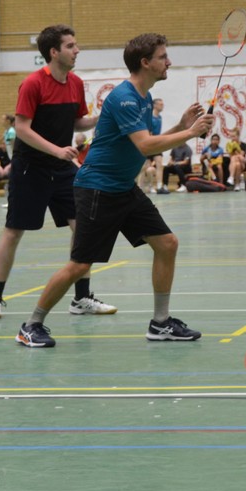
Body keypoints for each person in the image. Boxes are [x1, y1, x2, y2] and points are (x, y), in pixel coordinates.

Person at [16, 33, 214, 348]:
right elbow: (145, 145)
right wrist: (190, 133)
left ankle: (160, 323)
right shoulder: (124, 98)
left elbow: (146, 143)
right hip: (98, 189)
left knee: (167, 244)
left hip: (122, 188)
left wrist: (180, 127)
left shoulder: (144, 97)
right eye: (163, 57)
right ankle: (31, 325)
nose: (169, 62)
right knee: (80, 265)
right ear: (145, 62)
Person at [0, 25, 111, 322]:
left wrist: (100, 117)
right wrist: (56, 150)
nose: (77, 50)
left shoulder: (75, 83)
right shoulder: (33, 84)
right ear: (54, 52)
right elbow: (22, 128)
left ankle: (81, 298)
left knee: (82, 228)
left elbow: (76, 122)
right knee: (14, 231)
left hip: (62, 168)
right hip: (31, 167)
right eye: (70, 46)